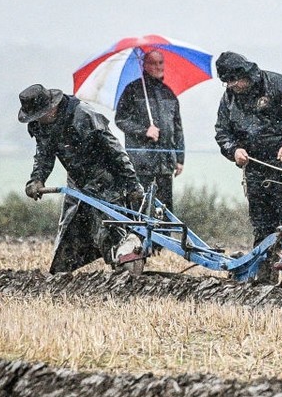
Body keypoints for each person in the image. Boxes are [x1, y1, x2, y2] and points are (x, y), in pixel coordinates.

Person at [19, 84, 145, 274]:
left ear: (51, 107)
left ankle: (126, 272)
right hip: (77, 183)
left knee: (111, 230)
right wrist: (37, 179)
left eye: (39, 115)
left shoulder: (83, 115)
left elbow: (115, 150)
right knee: (70, 232)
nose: (37, 120)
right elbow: (44, 155)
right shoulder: (40, 125)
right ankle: (62, 277)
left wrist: (132, 183)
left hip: (106, 179)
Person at [213, 51, 282, 248]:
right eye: (227, 82)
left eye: (235, 80)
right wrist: (234, 150)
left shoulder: (280, 85)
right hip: (256, 170)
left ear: (246, 74)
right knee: (262, 227)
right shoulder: (228, 100)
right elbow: (222, 132)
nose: (232, 86)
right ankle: (263, 272)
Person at [114, 49, 185, 211]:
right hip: (141, 162)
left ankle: (165, 236)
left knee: (164, 209)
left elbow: (178, 128)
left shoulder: (169, 94)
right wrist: (144, 131)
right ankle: (138, 236)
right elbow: (121, 119)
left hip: (165, 162)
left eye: (161, 62)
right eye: (153, 63)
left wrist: (180, 158)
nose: (159, 67)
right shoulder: (132, 90)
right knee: (140, 206)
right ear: (143, 65)